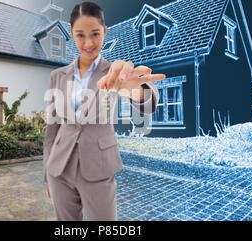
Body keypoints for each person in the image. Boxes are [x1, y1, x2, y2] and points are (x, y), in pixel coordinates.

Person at [43, 1, 164, 221]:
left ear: (105, 32)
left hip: (98, 166)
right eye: (80, 35)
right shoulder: (57, 76)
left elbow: (149, 104)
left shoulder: (115, 73)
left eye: (95, 34)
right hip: (59, 168)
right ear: (71, 34)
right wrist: (46, 173)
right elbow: (52, 129)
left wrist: (137, 91)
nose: (88, 43)